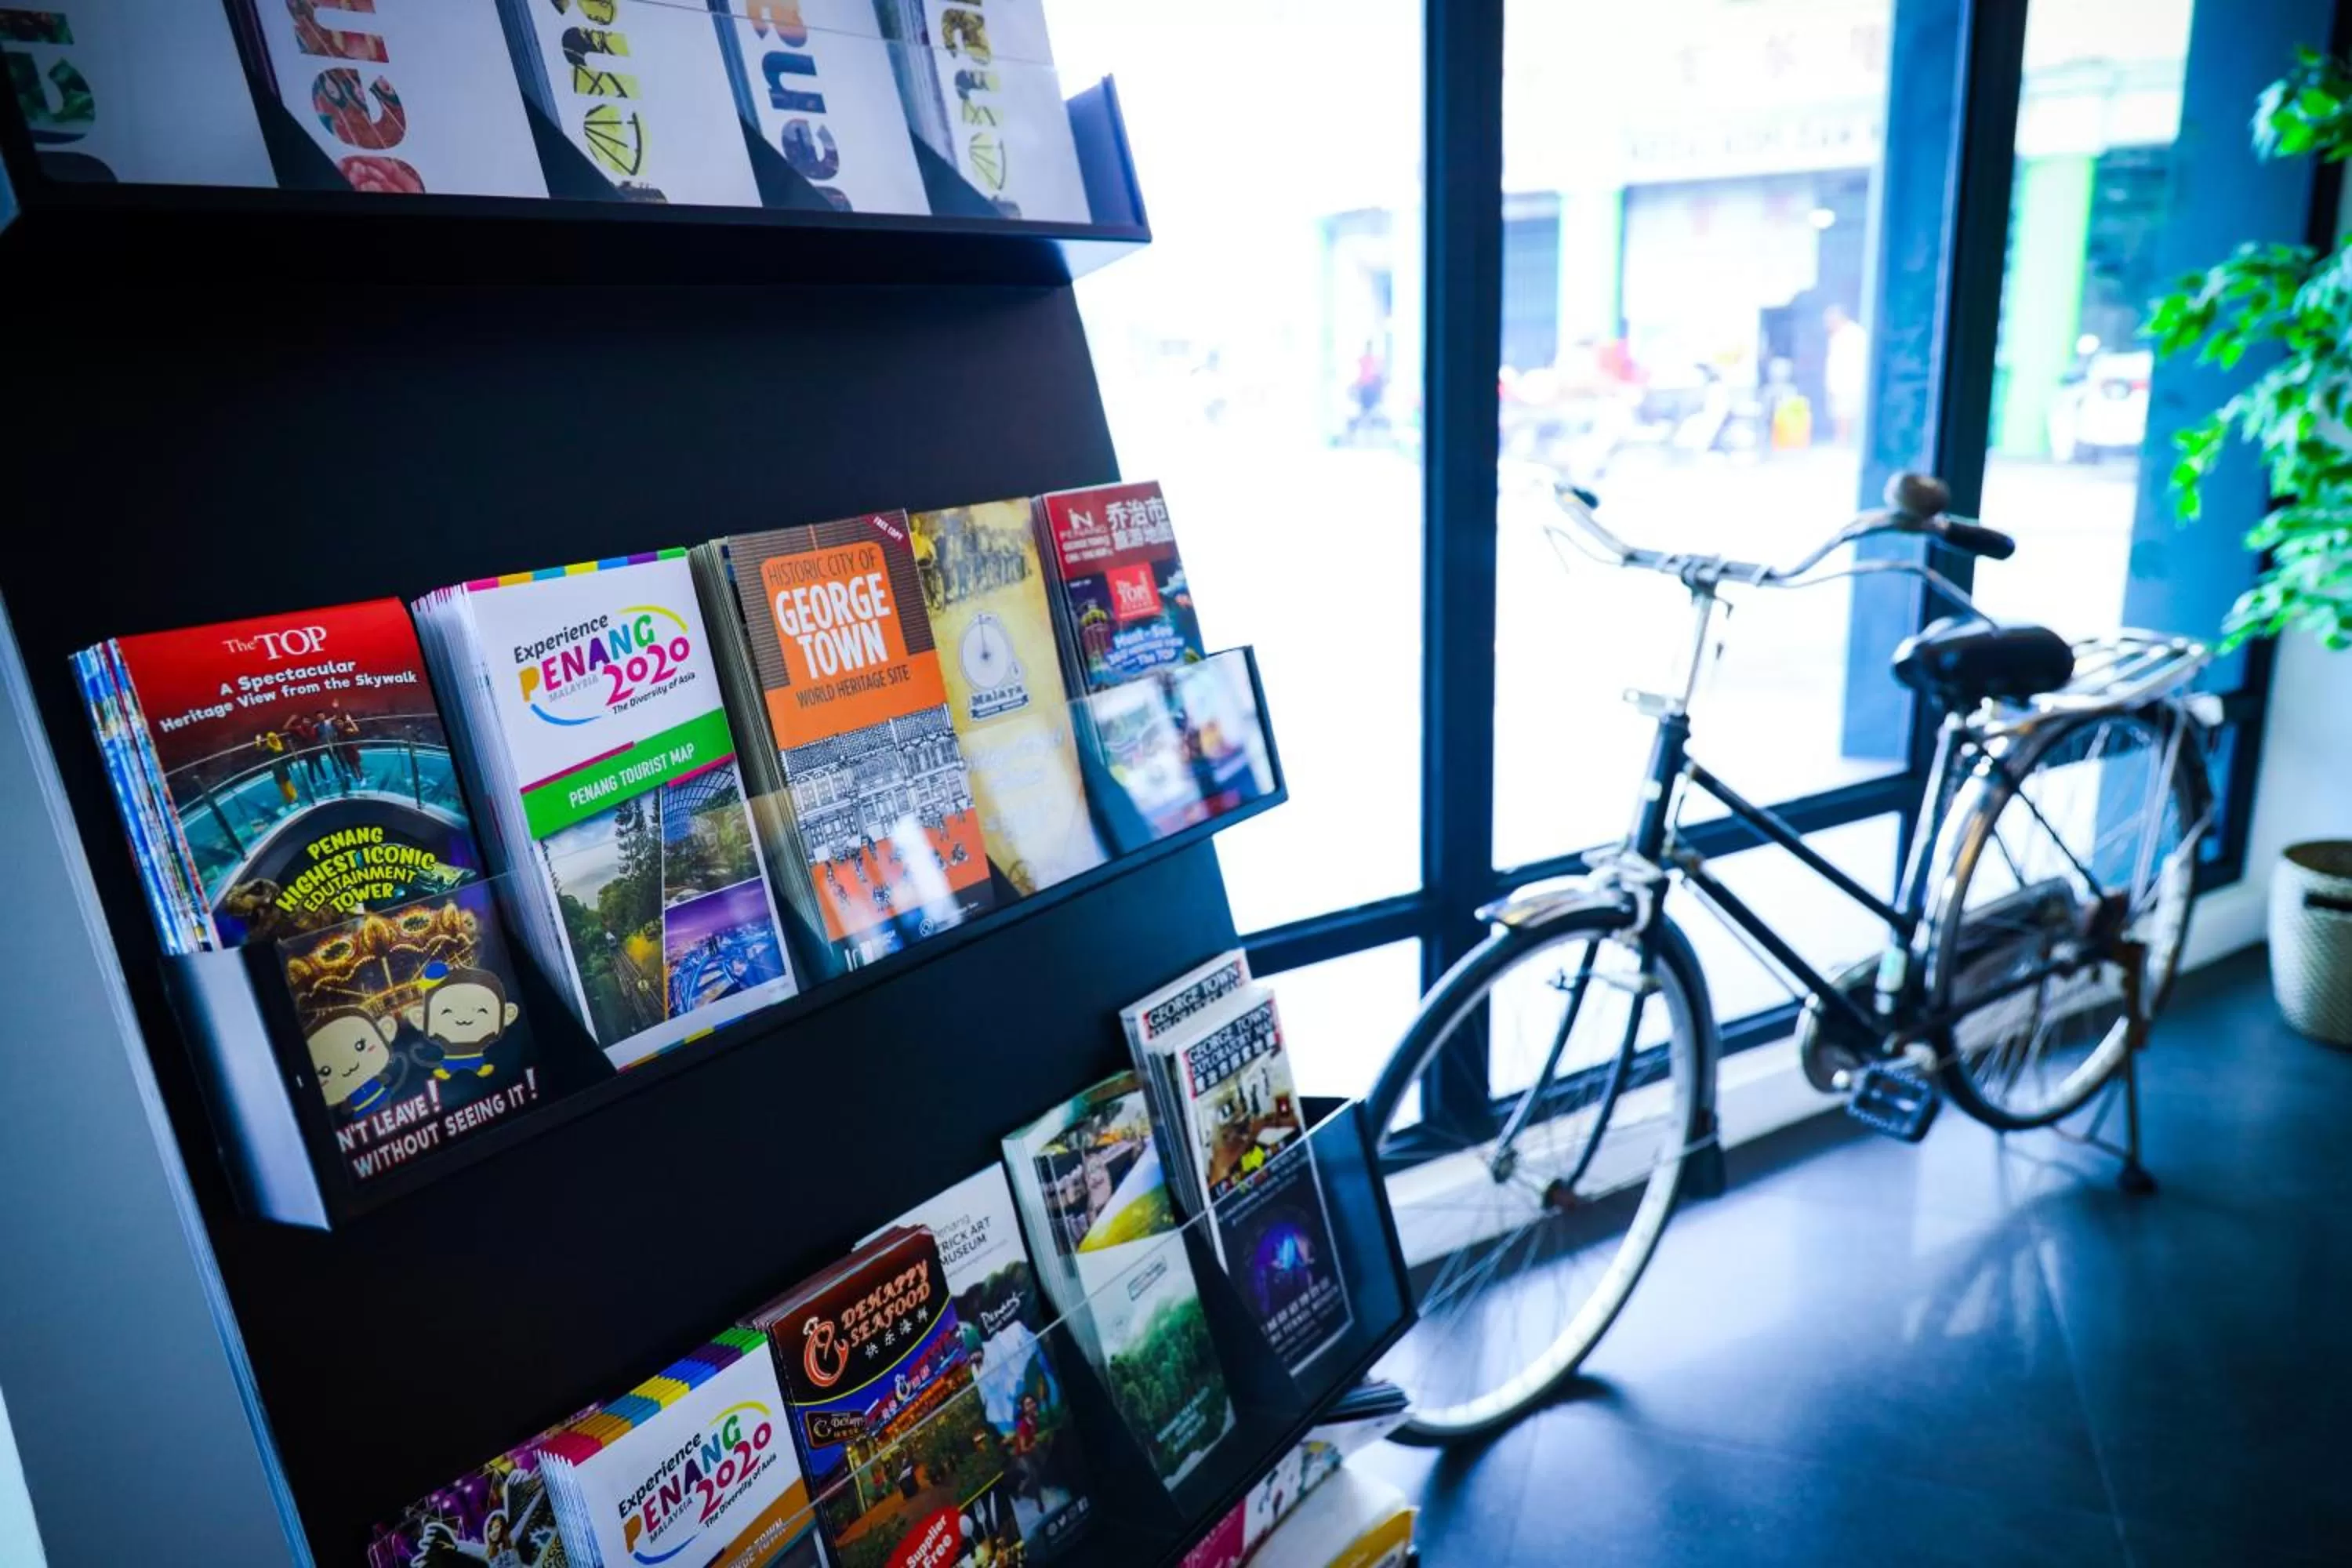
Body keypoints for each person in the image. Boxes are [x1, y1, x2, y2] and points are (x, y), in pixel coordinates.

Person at [1824, 303, 1869, 445]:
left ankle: (1846, 441)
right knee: (1840, 412)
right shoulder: (1837, 336)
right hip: (1840, 384)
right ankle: (1842, 440)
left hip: (1851, 383)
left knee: (1848, 412)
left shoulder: (1855, 334)